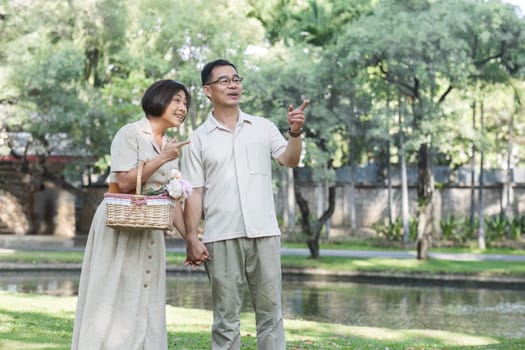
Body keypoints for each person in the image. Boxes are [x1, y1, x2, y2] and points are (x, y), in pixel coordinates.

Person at [181, 59, 308, 350]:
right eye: (224, 80)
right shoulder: (198, 140)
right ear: (207, 90)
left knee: (271, 317)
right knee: (225, 321)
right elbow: (195, 193)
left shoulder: (262, 127)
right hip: (220, 237)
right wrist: (191, 236)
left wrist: (295, 132)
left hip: (264, 233)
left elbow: (289, 160)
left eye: (236, 79)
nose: (233, 85)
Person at [72, 79, 191, 350]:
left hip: (149, 229)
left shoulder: (170, 145)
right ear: (157, 99)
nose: (183, 107)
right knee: (112, 296)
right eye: (176, 100)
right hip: (119, 227)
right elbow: (124, 182)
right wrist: (162, 159)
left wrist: (190, 239)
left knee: (146, 299)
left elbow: (169, 197)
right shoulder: (130, 133)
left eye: (185, 102)